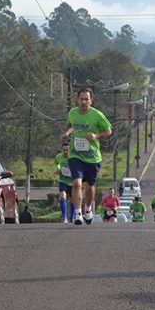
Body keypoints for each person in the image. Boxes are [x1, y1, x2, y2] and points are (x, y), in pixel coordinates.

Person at [61, 87, 112, 225]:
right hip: (75, 154)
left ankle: (88, 209)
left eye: (86, 99)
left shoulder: (97, 115)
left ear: (91, 101)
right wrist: (66, 133)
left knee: (90, 187)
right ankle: (77, 213)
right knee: (77, 183)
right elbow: (70, 125)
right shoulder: (72, 113)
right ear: (77, 100)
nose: (84, 102)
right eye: (81, 99)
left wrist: (96, 136)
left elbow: (108, 130)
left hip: (92, 157)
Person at [54, 142, 74, 223]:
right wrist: (57, 169)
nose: (65, 151)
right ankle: (64, 217)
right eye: (64, 150)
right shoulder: (59, 156)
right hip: (63, 181)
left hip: (72, 182)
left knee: (73, 200)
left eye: (67, 150)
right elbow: (56, 163)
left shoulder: (73, 157)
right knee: (62, 197)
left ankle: (72, 217)